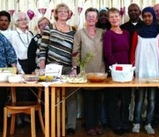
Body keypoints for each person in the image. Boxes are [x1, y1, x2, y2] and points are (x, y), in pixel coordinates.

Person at [38, 3, 77, 135]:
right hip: (51, 68)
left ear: (69, 14)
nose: (62, 14)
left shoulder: (73, 30)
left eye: (65, 12)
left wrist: (74, 68)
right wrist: (42, 68)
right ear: (56, 14)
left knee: (72, 96)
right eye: (60, 11)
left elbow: (75, 52)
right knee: (52, 97)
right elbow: (43, 49)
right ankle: (52, 123)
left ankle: (70, 125)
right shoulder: (49, 28)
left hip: (68, 68)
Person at [130, 6, 159, 135]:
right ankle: (136, 122)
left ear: (153, 17)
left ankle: (148, 123)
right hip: (141, 70)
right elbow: (133, 52)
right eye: (144, 16)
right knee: (139, 99)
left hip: (154, 71)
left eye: (149, 16)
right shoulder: (137, 33)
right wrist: (132, 69)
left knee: (152, 99)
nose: (146, 19)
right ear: (142, 17)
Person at [71, 7, 105, 136]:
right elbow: (75, 53)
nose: (91, 18)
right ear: (86, 18)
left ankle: (97, 124)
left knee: (98, 100)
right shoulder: (79, 33)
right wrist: (75, 68)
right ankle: (90, 126)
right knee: (88, 100)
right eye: (89, 16)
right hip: (85, 72)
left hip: (100, 71)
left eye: (94, 16)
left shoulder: (103, 32)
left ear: (97, 19)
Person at [103, 8, 131, 136]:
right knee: (113, 99)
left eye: (116, 16)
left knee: (126, 98)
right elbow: (107, 53)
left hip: (127, 71)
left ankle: (125, 122)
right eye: (111, 17)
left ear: (120, 17)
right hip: (114, 71)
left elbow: (129, 50)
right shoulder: (108, 34)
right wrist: (117, 67)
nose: (114, 19)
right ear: (108, 20)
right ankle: (116, 123)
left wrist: (129, 68)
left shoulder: (126, 33)